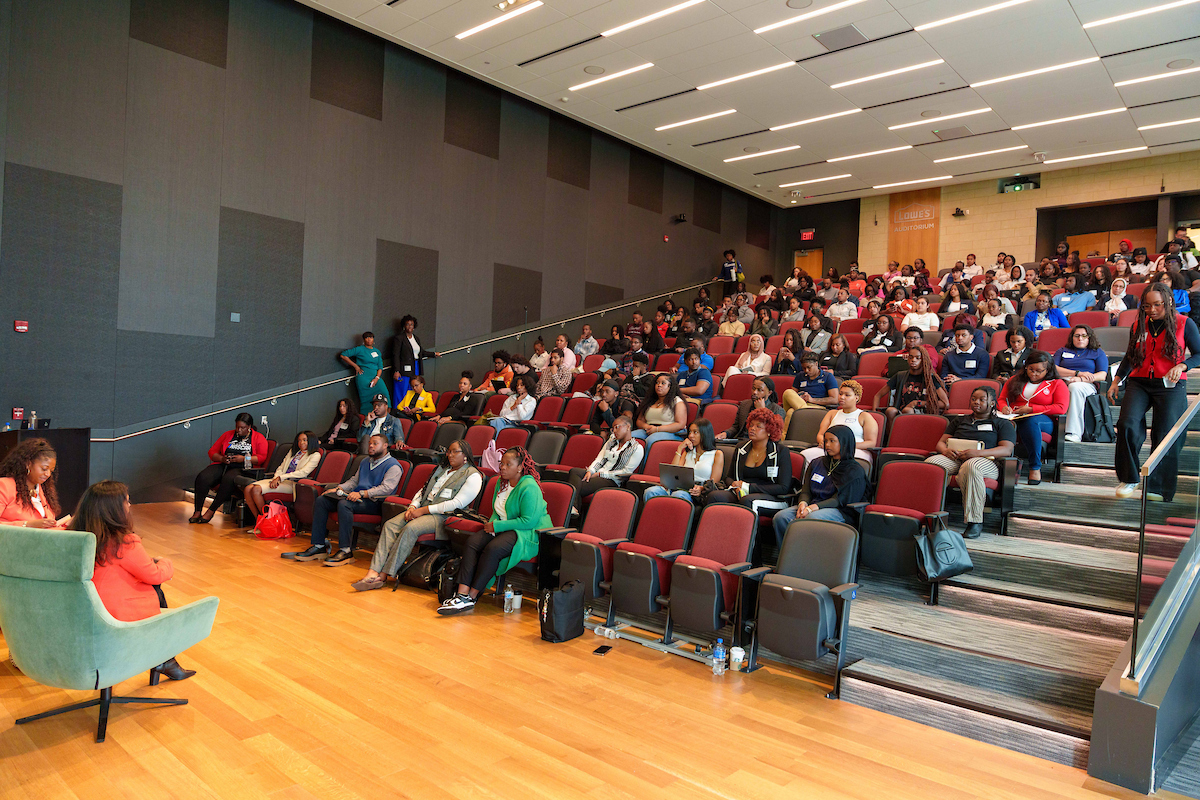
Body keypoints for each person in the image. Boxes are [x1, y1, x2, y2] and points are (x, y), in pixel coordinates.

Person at [80, 480, 195, 681]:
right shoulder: (124, 542)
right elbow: (155, 574)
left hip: (82, 609)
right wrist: (165, 562)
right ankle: (164, 660)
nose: (130, 505)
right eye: (127, 501)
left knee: (151, 587)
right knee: (156, 588)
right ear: (115, 509)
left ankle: (165, 660)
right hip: (114, 613)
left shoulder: (75, 536)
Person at [351, 439, 482, 592]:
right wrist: (413, 506)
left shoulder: (473, 475)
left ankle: (384, 574)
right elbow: (423, 491)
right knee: (390, 525)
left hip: (444, 517)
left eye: (455, 452)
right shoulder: (442, 469)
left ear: (465, 455)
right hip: (422, 510)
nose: (450, 455)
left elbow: (456, 503)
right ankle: (373, 571)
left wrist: (423, 510)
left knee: (410, 528)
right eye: (449, 451)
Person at [1110, 285, 1200, 499]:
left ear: (1168, 302)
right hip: (1139, 381)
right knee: (1127, 424)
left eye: (1157, 304)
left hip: (1170, 383)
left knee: (1165, 434)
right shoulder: (1138, 325)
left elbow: (1199, 354)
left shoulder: (1184, 323)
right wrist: (1116, 380)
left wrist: (1182, 366)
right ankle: (1129, 478)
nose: (1152, 310)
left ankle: (1158, 488)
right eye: (1147, 305)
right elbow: (1130, 355)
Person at [438, 447, 551, 615]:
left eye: (508, 464)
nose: (502, 467)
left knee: (493, 549)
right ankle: (461, 594)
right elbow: (496, 511)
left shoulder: (529, 486)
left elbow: (529, 521)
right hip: (504, 526)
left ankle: (472, 596)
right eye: (501, 463)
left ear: (520, 467)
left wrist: (496, 527)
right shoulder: (501, 482)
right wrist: (492, 525)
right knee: (472, 543)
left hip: (528, 532)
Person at [283, 434, 403, 566]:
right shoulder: (365, 461)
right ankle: (319, 546)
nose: (370, 446)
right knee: (322, 500)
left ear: (385, 446)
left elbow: (386, 489)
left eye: (375, 443)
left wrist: (362, 493)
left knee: (344, 504)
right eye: (369, 443)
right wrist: (338, 488)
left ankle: (346, 551)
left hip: (375, 503)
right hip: (356, 498)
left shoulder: (393, 466)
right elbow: (354, 481)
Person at [926, 386, 1016, 538]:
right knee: (930, 464)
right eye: (973, 399)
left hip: (986, 461)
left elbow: (1006, 449)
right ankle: (928, 512)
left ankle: (975, 522)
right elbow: (940, 443)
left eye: (982, 400)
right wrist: (945, 450)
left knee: (971, 466)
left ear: (992, 403)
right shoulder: (960, 420)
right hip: (956, 457)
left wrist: (978, 453)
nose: (976, 402)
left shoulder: (1002, 423)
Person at [771, 425, 868, 541]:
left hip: (839, 510)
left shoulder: (854, 470)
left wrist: (812, 508)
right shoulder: (817, 463)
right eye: (826, 441)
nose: (827, 445)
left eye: (832, 441)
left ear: (844, 443)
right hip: (813, 504)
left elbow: (839, 499)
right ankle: (788, 556)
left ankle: (806, 555)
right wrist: (803, 503)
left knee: (811, 517)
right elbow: (806, 490)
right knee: (781, 517)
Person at [703, 409, 792, 520]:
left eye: (758, 426)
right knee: (714, 496)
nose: (752, 429)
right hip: (742, 492)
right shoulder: (741, 448)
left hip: (773, 497)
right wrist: (735, 485)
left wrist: (749, 488)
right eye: (751, 425)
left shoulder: (781, 451)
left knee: (748, 501)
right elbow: (729, 477)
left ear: (770, 431)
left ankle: (751, 537)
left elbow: (783, 488)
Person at [998, 351, 1067, 485]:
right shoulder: (1014, 380)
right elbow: (1002, 399)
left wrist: (1032, 409)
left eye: (1039, 371)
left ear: (1048, 370)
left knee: (1030, 421)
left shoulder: (1057, 383)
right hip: (1015, 417)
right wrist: (1004, 408)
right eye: (1030, 369)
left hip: (1043, 419)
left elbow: (1060, 408)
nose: (1034, 374)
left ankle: (1034, 467)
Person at [190, 413, 268, 524]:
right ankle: (197, 511)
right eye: (237, 427)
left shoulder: (258, 438)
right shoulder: (228, 435)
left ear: (249, 427)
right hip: (225, 464)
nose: (239, 430)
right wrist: (222, 458)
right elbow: (212, 452)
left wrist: (243, 458)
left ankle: (211, 511)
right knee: (203, 477)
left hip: (244, 468)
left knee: (229, 478)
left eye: (242, 428)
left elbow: (261, 457)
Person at [243, 431, 320, 528]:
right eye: (299, 440)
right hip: (280, 480)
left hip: (293, 484)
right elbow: (281, 467)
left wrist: (280, 477)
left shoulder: (315, 455)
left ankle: (268, 523)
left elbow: (303, 472)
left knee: (256, 489)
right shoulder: (293, 452)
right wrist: (276, 478)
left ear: (311, 441)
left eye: (305, 440)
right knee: (248, 489)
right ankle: (259, 523)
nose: (301, 443)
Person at [644, 419, 727, 505]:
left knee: (679, 495)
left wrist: (701, 488)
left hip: (697, 492)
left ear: (704, 434)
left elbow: (714, 483)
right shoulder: (687, 452)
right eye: (690, 432)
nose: (691, 435)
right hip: (680, 487)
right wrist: (680, 449)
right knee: (650, 492)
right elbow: (673, 473)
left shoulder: (717, 454)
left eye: (695, 432)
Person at [798, 380, 879, 466]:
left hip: (855, 450)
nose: (842, 397)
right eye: (840, 394)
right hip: (830, 449)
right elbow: (821, 434)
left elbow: (871, 442)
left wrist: (845, 446)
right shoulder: (832, 413)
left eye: (847, 395)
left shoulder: (864, 416)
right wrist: (825, 443)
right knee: (805, 455)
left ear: (856, 398)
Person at [1054, 325, 1109, 443]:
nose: (1080, 339)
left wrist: (1081, 379)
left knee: (1074, 388)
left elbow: (1102, 375)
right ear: (1072, 338)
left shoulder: (1097, 352)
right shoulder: (1062, 351)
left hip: (1086, 384)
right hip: (1063, 380)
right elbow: (1053, 369)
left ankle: (1074, 432)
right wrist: (1077, 373)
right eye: (1077, 336)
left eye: (1084, 336)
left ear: (1089, 338)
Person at [568, 415, 643, 502]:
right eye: (613, 428)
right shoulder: (611, 442)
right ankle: (574, 508)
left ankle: (573, 508)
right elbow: (599, 459)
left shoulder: (636, 448)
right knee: (574, 471)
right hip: (598, 474)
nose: (614, 431)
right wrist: (590, 471)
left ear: (628, 427)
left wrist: (601, 474)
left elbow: (626, 472)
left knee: (577, 486)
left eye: (617, 427)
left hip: (612, 480)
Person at [0, 438, 67, 527]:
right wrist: (27, 524)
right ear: (28, 464)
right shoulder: (4, 486)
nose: (48, 474)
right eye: (44, 469)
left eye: (51, 471)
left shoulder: (45, 491)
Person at [875, 347, 948, 420]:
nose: (913, 360)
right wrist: (875, 415)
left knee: (908, 410)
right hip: (900, 412)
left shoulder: (930, 378)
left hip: (923, 413)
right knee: (891, 410)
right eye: (911, 357)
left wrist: (917, 403)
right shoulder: (900, 375)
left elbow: (945, 404)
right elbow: (877, 396)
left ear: (923, 360)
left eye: (917, 358)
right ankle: (892, 431)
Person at [632, 373, 689, 454]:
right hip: (649, 430)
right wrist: (647, 426)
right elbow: (640, 420)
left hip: (671, 432)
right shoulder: (650, 401)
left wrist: (657, 429)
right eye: (657, 383)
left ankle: (645, 466)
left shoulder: (677, 401)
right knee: (630, 437)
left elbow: (680, 424)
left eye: (663, 383)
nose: (659, 385)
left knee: (651, 440)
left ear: (670, 386)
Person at [782, 353, 840, 428]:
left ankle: (804, 411)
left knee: (791, 412)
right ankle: (784, 439)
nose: (806, 370)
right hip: (801, 403)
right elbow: (793, 395)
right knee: (788, 393)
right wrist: (800, 396)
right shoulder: (800, 376)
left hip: (818, 407)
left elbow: (834, 400)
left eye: (809, 367)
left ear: (816, 364)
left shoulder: (828, 377)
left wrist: (812, 399)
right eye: (804, 368)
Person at [391, 315, 439, 404]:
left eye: (411, 324)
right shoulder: (399, 338)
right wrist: (396, 370)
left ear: (414, 326)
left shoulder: (416, 338)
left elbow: (421, 352)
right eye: (407, 324)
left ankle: (410, 409)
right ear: (404, 326)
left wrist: (433, 354)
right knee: (402, 389)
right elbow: (395, 355)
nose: (410, 326)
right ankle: (399, 411)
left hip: (415, 366)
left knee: (414, 388)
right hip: (403, 369)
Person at [341, 332, 388, 413]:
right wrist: (355, 366)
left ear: (373, 339)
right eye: (366, 337)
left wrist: (377, 378)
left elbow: (380, 367)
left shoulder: (377, 351)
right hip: (363, 377)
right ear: (364, 340)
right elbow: (343, 355)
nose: (369, 339)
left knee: (385, 395)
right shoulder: (360, 349)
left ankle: (384, 418)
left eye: (371, 337)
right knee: (366, 400)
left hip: (376, 377)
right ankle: (366, 420)